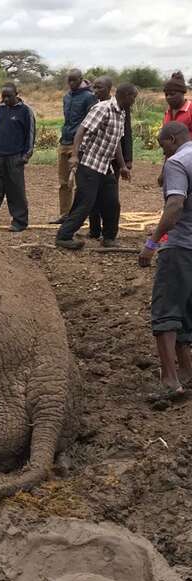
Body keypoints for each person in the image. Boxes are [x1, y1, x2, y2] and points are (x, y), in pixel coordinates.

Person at [138, 121, 192, 400]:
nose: (163, 155)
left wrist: (152, 243)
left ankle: (170, 380)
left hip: (180, 248)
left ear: (172, 139)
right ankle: (186, 370)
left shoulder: (177, 163)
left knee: (165, 312)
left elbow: (174, 206)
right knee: (185, 311)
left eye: (163, 147)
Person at [55, 83, 137, 249]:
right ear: (126, 95)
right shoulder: (103, 108)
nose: (134, 101)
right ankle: (64, 236)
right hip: (89, 163)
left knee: (112, 203)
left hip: (105, 165)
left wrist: (122, 166)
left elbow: (116, 143)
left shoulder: (121, 113)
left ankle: (109, 238)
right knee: (85, 202)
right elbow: (81, 130)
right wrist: (75, 155)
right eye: (133, 97)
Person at [0, 83, 35, 232]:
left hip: (15, 157)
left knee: (16, 191)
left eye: (9, 96)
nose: (5, 99)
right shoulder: (0, 109)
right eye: (3, 96)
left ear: (17, 93)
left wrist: (26, 155)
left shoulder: (25, 111)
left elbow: (30, 134)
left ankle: (19, 222)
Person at [88, 76, 133, 245]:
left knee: (109, 196)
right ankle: (94, 230)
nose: (95, 91)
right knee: (92, 195)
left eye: (99, 88)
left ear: (109, 89)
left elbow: (126, 134)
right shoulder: (96, 106)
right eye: (94, 88)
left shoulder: (122, 107)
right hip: (95, 158)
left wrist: (126, 160)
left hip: (114, 160)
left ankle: (108, 234)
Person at [54, 69, 97, 224]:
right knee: (63, 182)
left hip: (79, 144)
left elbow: (90, 123)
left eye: (74, 80)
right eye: (69, 81)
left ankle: (79, 217)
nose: (71, 84)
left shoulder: (89, 97)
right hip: (64, 142)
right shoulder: (66, 97)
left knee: (80, 183)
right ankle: (64, 214)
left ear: (81, 79)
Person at [158, 72, 192, 188]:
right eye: (166, 94)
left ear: (182, 93)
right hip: (174, 163)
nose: (168, 97)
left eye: (172, 94)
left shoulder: (190, 110)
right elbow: (169, 146)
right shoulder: (167, 113)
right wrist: (164, 171)